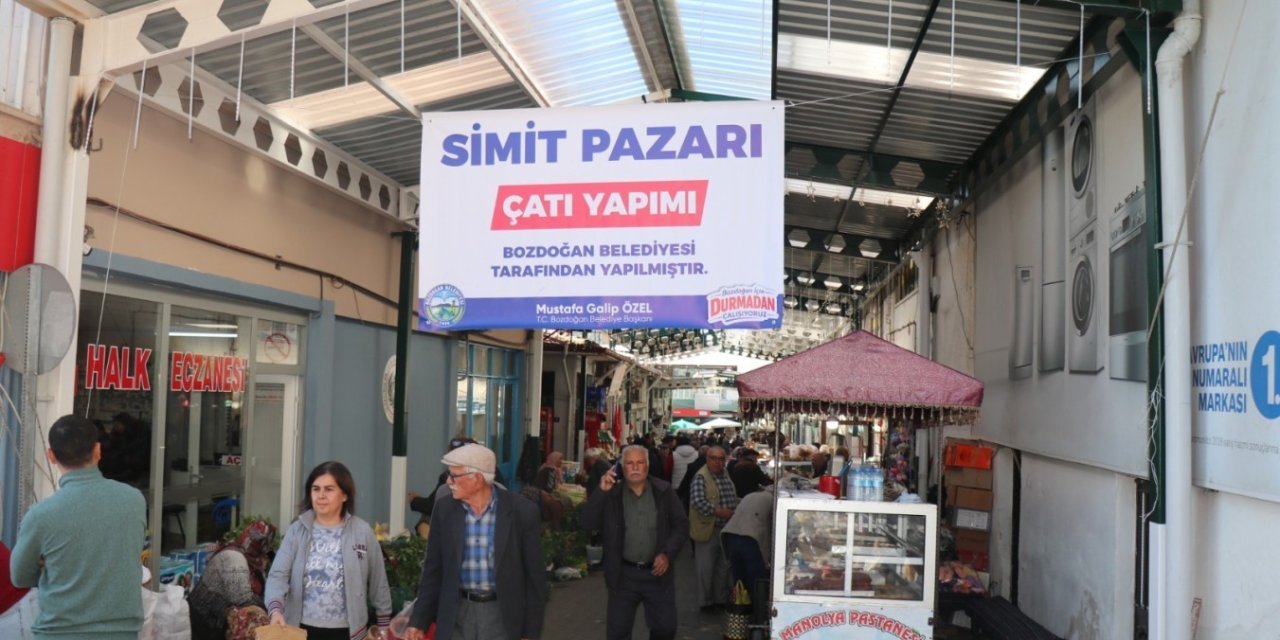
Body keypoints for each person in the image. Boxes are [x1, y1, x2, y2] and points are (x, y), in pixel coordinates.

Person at [9, 414, 147, 638]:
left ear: (51, 456)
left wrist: (54, 567)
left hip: (59, 633)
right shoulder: (133, 500)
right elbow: (121, 552)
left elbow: (20, 576)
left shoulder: (41, 515)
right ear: (98, 451)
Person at [405, 443, 546, 640]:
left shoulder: (522, 512)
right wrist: (418, 622)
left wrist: (530, 633)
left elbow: (535, 579)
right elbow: (433, 570)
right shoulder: (444, 510)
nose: (448, 481)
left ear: (478, 478)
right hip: (457, 612)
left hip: (503, 614)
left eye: (454, 475)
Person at [265, 461, 392, 639]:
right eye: (316, 489)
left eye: (329, 489)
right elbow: (278, 575)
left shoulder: (362, 532)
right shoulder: (297, 530)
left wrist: (384, 625)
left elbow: (379, 581)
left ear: (345, 495)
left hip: (348, 632)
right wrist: (276, 610)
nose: (321, 496)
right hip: (300, 629)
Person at [581, 445, 689, 640]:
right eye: (630, 463)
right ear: (622, 467)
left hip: (657, 575)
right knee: (618, 633)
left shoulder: (664, 492)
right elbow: (588, 523)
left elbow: (680, 526)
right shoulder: (612, 494)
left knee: (665, 628)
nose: (635, 467)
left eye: (640, 462)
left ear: (647, 466)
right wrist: (601, 491)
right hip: (623, 576)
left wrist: (667, 553)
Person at [189, 519, 278, 640]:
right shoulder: (234, 557)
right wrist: (271, 609)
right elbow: (241, 599)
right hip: (207, 619)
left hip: (221, 617)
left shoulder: (255, 559)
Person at [688, 445, 739, 613]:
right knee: (706, 568)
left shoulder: (726, 474)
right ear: (707, 459)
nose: (718, 462)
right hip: (707, 529)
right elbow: (698, 502)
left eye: (721, 459)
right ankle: (706, 602)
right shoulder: (701, 477)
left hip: (726, 529)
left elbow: (729, 496)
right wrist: (719, 512)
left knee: (723, 567)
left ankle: (720, 599)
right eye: (714, 458)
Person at [720, 486, 774, 600]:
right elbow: (772, 529)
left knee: (739, 580)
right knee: (757, 581)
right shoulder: (773, 500)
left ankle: (741, 611)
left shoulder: (750, 495)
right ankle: (757, 613)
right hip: (750, 540)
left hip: (730, 535)